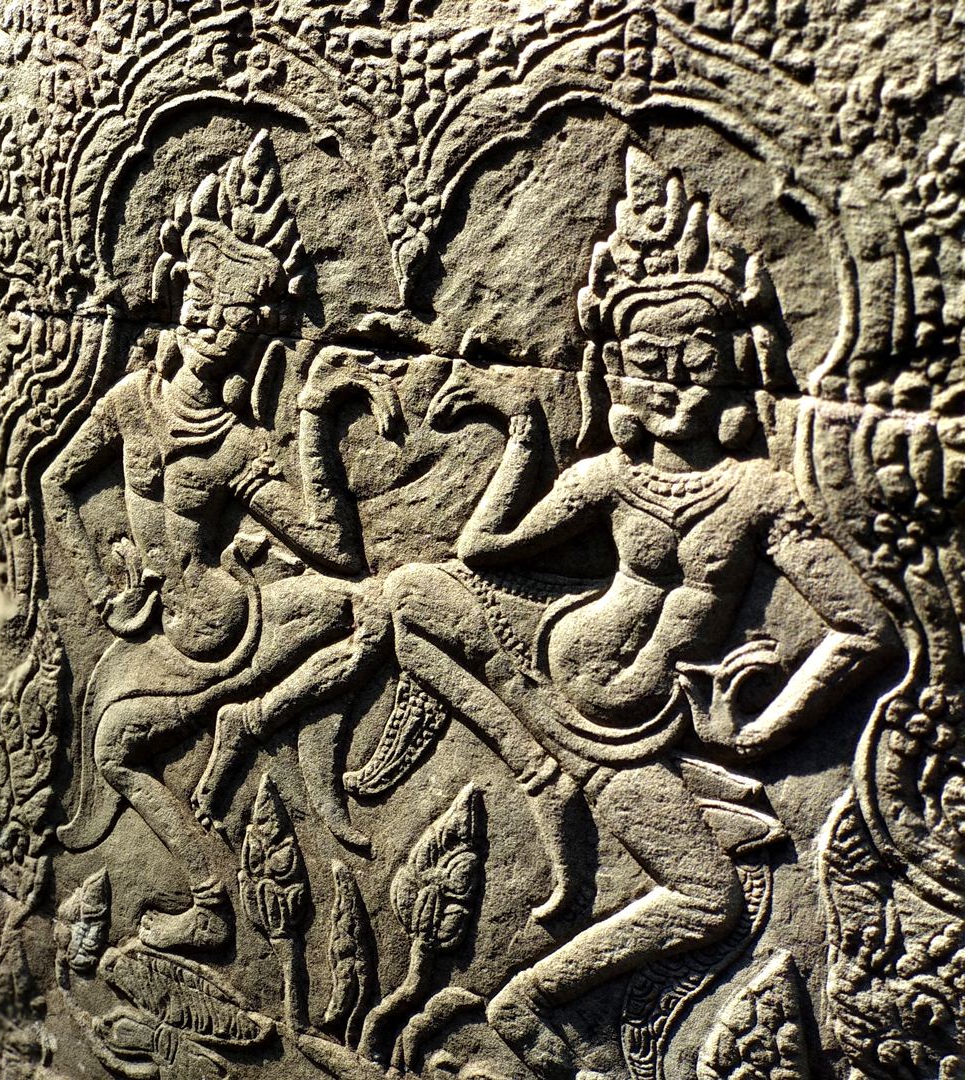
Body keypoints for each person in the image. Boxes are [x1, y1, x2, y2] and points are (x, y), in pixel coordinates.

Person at [383, 148, 895, 1077]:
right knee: (409, 600)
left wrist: (759, 730)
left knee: (710, 902)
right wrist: (523, 432)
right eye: (644, 364)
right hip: (552, 680)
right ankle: (538, 779)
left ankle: (527, 997)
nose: (669, 384)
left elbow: (862, 630)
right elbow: (483, 552)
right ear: (614, 372)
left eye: (695, 363)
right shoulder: (608, 477)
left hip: (645, 733)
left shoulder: (756, 496)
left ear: (738, 367)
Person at [46, 131, 397, 953]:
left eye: (229, 318)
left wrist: (315, 421)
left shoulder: (235, 445)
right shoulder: (132, 401)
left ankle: (214, 881)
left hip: (227, 626)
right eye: (198, 304)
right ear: (177, 297)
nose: (208, 325)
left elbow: (333, 548)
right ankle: (212, 887)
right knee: (109, 751)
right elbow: (58, 482)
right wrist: (101, 582)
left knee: (364, 610)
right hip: (162, 626)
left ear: (252, 333)